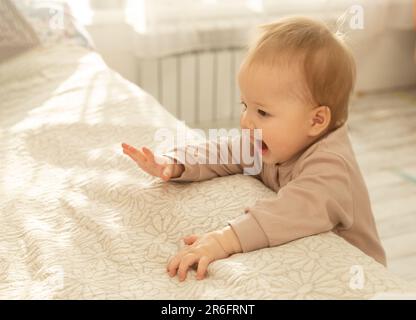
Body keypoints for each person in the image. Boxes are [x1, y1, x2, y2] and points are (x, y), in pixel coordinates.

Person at [122, 16, 386, 282]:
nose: (246, 120)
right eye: (245, 106)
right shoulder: (275, 142)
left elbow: (287, 212)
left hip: (356, 277)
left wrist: (222, 240)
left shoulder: (331, 168)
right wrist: (175, 163)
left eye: (262, 111)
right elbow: (225, 152)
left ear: (316, 121)